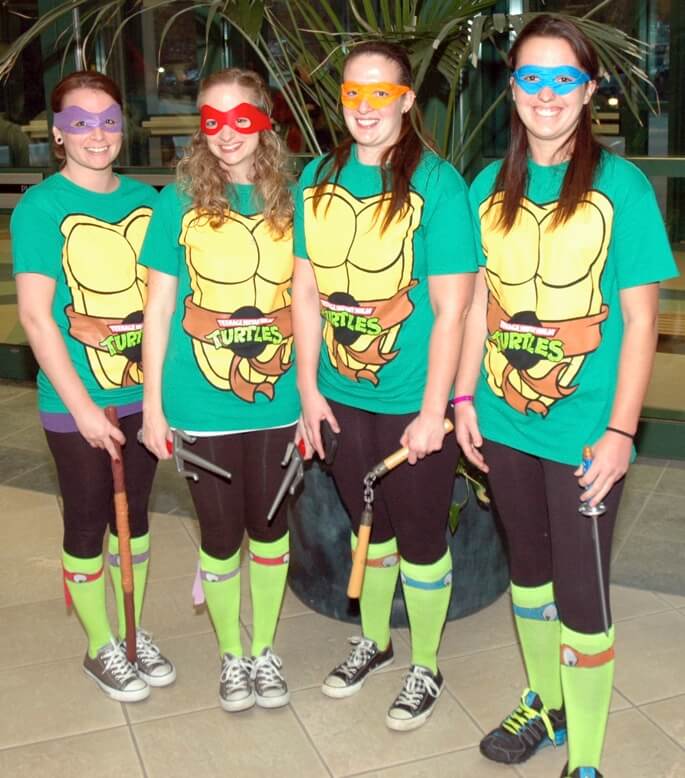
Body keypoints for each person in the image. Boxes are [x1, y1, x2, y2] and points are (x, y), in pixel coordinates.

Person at [455, 15, 677, 778]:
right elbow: (475, 305)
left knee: (582, 597)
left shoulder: (621, 188)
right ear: (511, 88)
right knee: (527, 574)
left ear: (587, 91)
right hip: (502, 421)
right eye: (530, 77)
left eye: (562, 79)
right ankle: (545, 703)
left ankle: (583, 759)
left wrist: (619, 433)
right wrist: (462, 402)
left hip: (585, 433)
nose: (544, 94)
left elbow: (642, 321)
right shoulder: (486, 187)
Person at [292, 41, 477, 731]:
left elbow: (453, 308)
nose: (364, 108)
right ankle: (374, 641)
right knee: (366, 527)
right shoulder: (318, 176)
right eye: (352, 93)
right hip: (342, 398)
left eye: (380, 94)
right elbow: (305, 291)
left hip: (412, 404)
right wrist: (308, 389)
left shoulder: (437, 184)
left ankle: (426, 664)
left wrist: (434, 412)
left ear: (406, 100)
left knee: (422, 538)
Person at [12, 70, 176, 703]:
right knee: (86, 522)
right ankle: (100, 642)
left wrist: (163, 397)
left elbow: (163, 303)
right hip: (75, 400)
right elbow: (36, 318)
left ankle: (132, 631)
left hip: (142, 396)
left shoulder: (148, 200)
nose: (97, 134)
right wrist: (82, 408)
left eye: (108, 120)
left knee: (132, 521)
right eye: (79, 123)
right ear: (58, 134)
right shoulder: (41, 207)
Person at [140, 68, 299, 713]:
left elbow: (312, 303)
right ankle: (232, 655)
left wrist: (312, 395)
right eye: (212, 120)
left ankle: (264, 649)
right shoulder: (177, 201)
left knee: (271, 528)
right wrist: (152, 407)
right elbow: (157, 309)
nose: (226, 133)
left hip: (279, 402)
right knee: (220, 534)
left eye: (241, 118)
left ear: (265, 119)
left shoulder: (294, 198)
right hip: (200, 403)